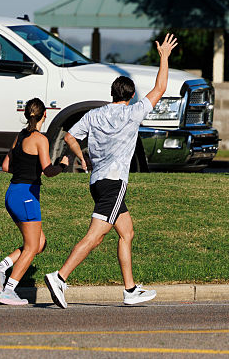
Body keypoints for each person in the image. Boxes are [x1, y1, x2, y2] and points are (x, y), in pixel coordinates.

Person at [45, 33, 179, 309]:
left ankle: (130, 289)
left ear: (112, 94)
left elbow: (69, 136)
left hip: (97, 182)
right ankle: (60, 277)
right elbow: (161, 88)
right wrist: (164, 57)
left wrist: (83, 157)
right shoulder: (133, 112)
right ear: (129, 96)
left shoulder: (95, 114)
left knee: (127, 232)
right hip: (114, 182)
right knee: (95, 236)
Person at [0, 98, 83, 305]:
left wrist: (26, 168)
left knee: (39, 243)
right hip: (27, 196)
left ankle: (2, 266)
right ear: (44, 115)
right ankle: (9, 290)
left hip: (12, 194)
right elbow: (48, 171)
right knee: (32, 247)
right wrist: (62, 165)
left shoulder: (20, 137)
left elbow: (5, 166)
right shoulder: (41, 139)